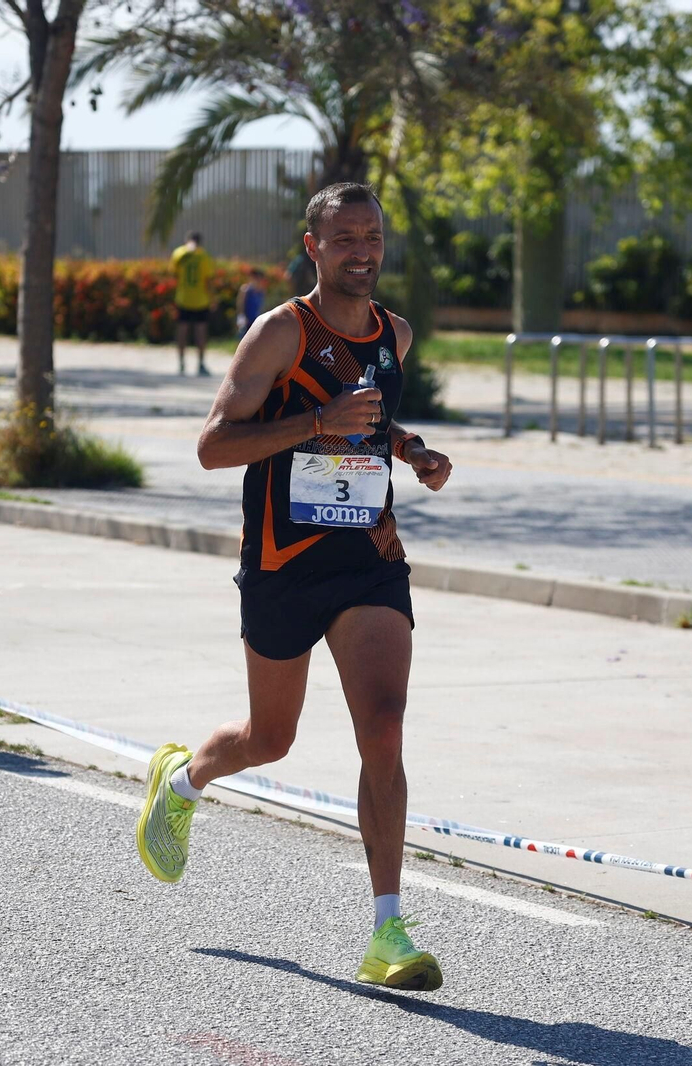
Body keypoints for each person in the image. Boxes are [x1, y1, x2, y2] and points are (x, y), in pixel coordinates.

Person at [136, 183, 455, 991]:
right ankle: (184, 779)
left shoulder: (396, 334)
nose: (362, 251)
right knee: (269, 738)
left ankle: (388, 931)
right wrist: (317, 424)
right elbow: (213, 446)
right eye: (344, 237)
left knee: (383, 727)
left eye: (373, 236)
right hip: (284, 564)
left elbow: (373, 422)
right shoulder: (281, 332)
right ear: (311, 246)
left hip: (368, 560)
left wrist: (413, 452)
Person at [171, 230, 213, 376]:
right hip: (201, 300)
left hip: (183, 298)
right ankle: (200, 364)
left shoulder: (178, 253)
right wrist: (212, 298)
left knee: (182, 331)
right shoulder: (203, 256)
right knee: (200, 332)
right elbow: (208, 280)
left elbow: (174, 273)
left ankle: (181, 363)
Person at [235, 267, 267, 339]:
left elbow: (262, 305)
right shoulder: (246, 289)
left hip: (256, 319)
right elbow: (240, 304)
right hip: (246, 319)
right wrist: (241, 317)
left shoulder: (261, 291)